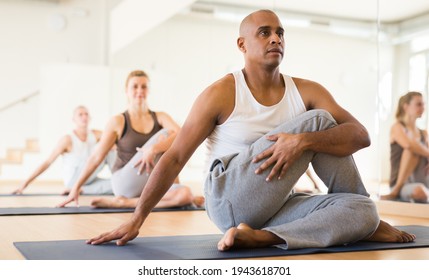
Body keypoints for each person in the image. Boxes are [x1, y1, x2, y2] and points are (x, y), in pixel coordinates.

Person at [87, 10, 415, 250]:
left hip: (269, 206)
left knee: (363, 209)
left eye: (280, 33)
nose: (275, 38)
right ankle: (368, 228)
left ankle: (262, 237)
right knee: (321, 121)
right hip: (228, 197)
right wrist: (137, 218)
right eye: (265, 32)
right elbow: (174, 158)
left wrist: (300, 142)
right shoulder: (221, 92)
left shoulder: (306, 90)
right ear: (242, 44)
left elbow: (361, 135)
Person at [57, 70, 204, 209]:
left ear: (148, 91)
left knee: (185, 194)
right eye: (135, 87)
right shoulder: (118, 121)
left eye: (144, 87)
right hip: (124, 182)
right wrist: (75, 188)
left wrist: (154, 149)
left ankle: (127, 203)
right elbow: (96, 156)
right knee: (166, 134)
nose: (139, 90)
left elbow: (182, 137)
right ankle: (129, 198)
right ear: (126, 91)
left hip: (148, 182)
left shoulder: (160, 116)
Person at [12, 105, 114, 195]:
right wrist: (25, 184)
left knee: (116, 185)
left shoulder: (95, 134)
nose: (84, 117)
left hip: (88, 179)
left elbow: (115, 137)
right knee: (104, 151)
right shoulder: (67, 140)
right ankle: (74, 187)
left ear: (90, 117)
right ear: (73, 119)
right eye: (80, 114)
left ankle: (81, 190)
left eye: (86, 114)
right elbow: (48, 162)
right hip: (73, 180)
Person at [381, 91, 429, 203]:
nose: (423, 107)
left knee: (416, 149)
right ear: (406, 107)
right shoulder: (397, 127)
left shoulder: (424, 133)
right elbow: (409, 145)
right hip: (403, 185)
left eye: (423, 104)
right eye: (418, 104)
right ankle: (396, 190)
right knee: (411, 150)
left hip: (423, 180)